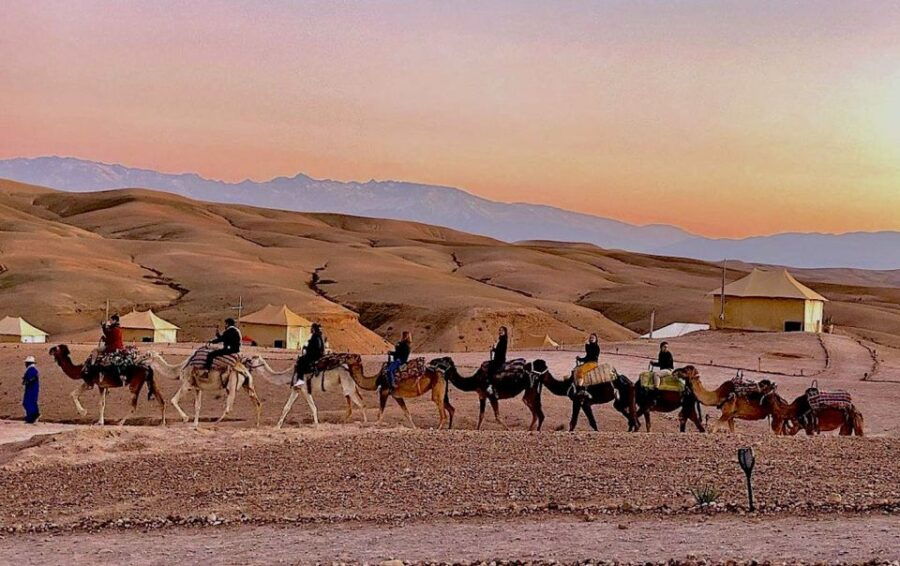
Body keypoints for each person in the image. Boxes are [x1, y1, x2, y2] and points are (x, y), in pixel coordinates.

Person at [485, 326, 508, 397]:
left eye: (502, 330)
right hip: (498, 359)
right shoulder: (501, 339)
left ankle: (491, 386)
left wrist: (494, 349)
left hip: (499, 360)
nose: (500, 332)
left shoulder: (503, 340)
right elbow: (499, 350)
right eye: (499, 330)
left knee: (490, 370)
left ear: (505, 332)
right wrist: (494, 349)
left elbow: (501, 351)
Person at [22, 356, 40, 424]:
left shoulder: (31, 370)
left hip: (31, 388)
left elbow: (32, 378)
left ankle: (31, 417)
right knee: (32, 402)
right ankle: (34, 415)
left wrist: (27, 381)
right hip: (32, 388)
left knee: (27, 402)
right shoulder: (33, 370)